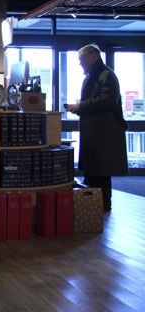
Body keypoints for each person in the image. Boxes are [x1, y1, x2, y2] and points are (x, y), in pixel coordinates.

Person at [65, 44, 128, 212]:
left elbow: (107, 100)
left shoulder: (106, 75)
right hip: (96, 132)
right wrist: (80, 108)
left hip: (102, 134)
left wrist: (81, 106)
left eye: (82, 60)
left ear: (93, 58)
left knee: (100, 172)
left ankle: (102, 206)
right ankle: (95, 206)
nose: (80, 63)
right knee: (95, 172)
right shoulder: (98, 75)